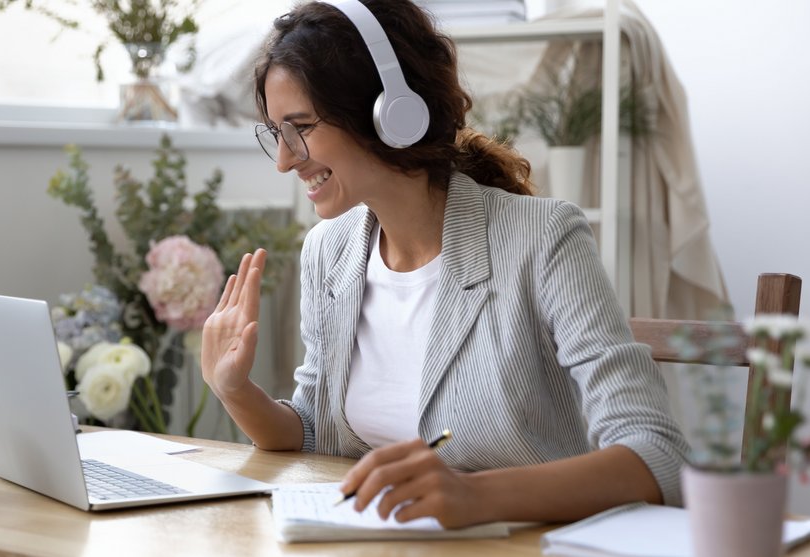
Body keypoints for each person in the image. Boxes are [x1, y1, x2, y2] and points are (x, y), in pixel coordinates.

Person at [201, 0, 689, 529]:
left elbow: (658, 454)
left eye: (299, 128)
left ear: (388, 111)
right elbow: (318, 430)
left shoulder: (544, 239)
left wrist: (477, 496)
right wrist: (235, 390)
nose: (284, 159)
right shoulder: (329, 251)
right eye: (276, 132)